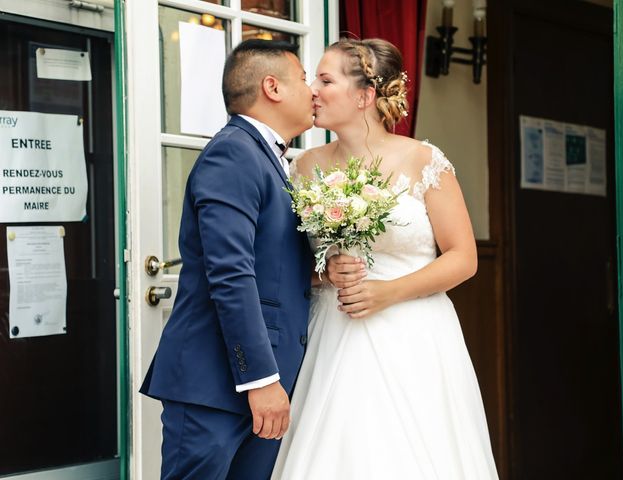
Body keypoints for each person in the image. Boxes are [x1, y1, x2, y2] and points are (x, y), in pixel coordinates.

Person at [271, 38, 499, 479]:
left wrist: (389, 292)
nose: (313, 90)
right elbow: (289, 261)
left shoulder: (423, 160)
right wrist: (324, 273)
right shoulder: (305, 166)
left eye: (325, 79)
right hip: (333, 332)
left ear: (364, 96)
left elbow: (464, 257)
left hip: (414, 335)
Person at [140, 39, 315, 480]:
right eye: (304, 79)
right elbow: (232, 273)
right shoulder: (233, 152)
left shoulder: (268, 159)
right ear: (272, 87)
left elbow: (272, 268)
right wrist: (260, 379)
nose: (312, 90)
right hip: (217, 383)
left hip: (256, 383)